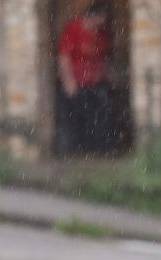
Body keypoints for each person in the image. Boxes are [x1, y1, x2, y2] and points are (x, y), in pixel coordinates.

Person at [58, 1, 114, 155]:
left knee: (98, 118)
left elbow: (104, 58)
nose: (102, 23)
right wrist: (69, 82)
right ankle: (75, 153)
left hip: (96, 84)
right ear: (94, 16)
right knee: (76, 119)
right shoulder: (73, 29)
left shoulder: (101, 34)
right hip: (77, 83)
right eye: (101, 18)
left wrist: (107, 78)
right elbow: (64, 57)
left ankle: (97, 152)